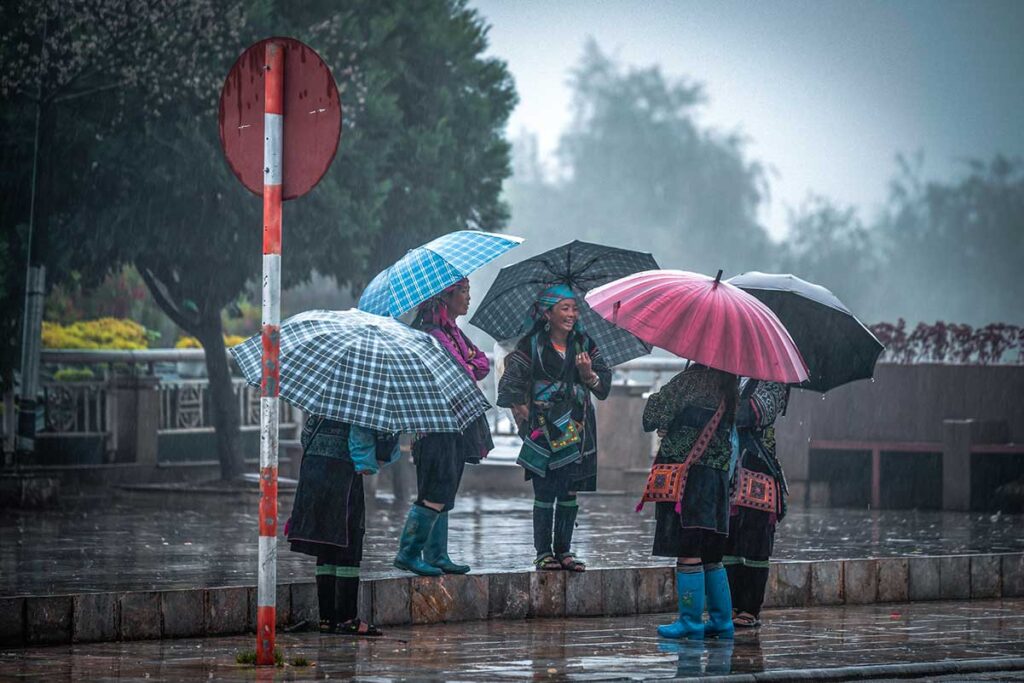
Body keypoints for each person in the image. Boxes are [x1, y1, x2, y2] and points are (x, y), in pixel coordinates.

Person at [497, 284, 611, 571]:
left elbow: (603, 388)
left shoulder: (586, 344)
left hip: (579, 428)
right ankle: (543, 553)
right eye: (565, 308)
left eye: (574, 308)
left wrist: (588, 374)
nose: (572, 314)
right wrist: (527, 415)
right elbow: (509, 387)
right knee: (545, 491)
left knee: (570, 490)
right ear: (547, 313)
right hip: (545, 429)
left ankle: (564, 551)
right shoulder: (531, 345)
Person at [393, 279, 493, 576]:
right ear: (445, 297)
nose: (468, 296)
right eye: (463, 291)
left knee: (445, 488)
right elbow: (461, 370)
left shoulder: (453, 332)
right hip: (434, 424)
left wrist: (469, 364)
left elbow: (482, 363)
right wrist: (469, 364)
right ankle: (408, 552)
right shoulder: (431, 334)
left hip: (455, 423)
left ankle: (436, 554)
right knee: (435, 489)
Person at [642, 363, 739, 639]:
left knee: (689, 549)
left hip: (691, 479)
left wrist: (666, 414)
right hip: (717, 478)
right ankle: (721, 620)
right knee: (711, 554)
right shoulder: (730, 385)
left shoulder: (690, 381)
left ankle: (691, 621)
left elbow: (651, 415)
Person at [286, 416, 399, 636]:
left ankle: (327, 618)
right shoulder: (356, 405)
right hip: (341, 475)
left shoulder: (322, 405)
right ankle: (347, 619)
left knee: (325, 545)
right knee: (348, 544)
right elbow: (361, 439)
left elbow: (305, 436)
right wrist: (367, 463)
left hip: (313, 471)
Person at [724, 379, 789, 628]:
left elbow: (754, 413)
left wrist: (723, 405)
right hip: (729, 474)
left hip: (758, 472)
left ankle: (750, 607)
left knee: (756, 544)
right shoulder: (732, 374)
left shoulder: (774, 380)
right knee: (727, 543)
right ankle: (729, 604)